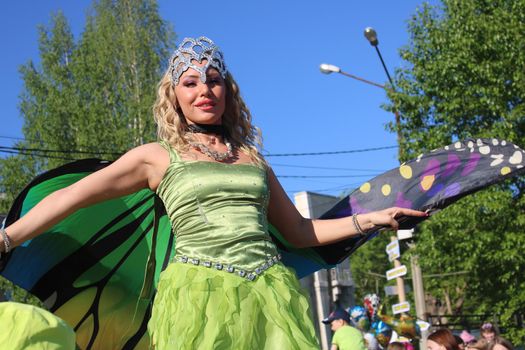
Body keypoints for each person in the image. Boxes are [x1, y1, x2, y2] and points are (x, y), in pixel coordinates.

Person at [0, 36, 427, 349]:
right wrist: (6, 238)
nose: (204, 90)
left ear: (227, 91)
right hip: (197, 297)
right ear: (175, 97)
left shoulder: (253, 159)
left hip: (270, 294)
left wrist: (372, 219)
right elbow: (71, 197)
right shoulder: (156, 157)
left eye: (214, 80)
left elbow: (298, 232)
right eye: (190, 82)